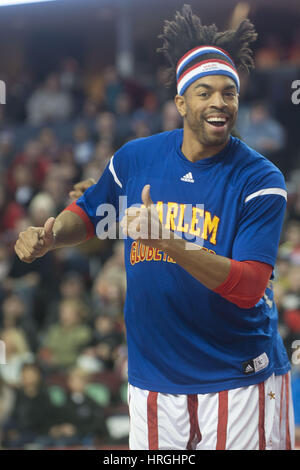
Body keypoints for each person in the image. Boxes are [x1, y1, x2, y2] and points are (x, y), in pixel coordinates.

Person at [14, 5, 294, 450]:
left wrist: (166, 241)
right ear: (181, 102)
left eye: (229, 93)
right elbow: (87, 212)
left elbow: (248, 287)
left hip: (238, 378)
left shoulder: (261, 179)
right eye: (204, 93)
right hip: (153, 383)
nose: (219, 102)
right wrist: (51, 237)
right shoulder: (135, 157)